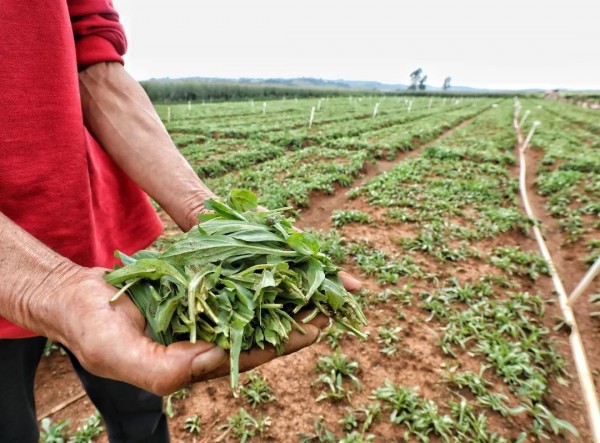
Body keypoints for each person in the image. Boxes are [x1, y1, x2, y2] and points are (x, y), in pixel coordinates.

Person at [0, 1, 361, 442]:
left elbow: (95, 64)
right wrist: (43, 285)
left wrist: (206, 211)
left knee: (140, 413)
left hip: (103, 243)